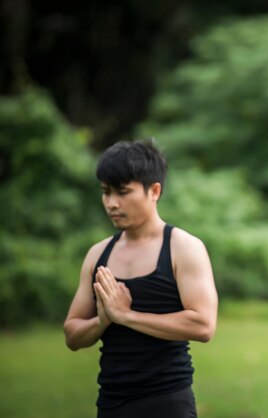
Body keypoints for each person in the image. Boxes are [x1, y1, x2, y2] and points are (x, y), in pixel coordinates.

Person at [63, 140, 218, 418]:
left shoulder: (183, 248)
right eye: (106, 192)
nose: (112, 203)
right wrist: (103, 320)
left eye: (123, 192)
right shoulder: (98, 254)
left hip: (168, 402)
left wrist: (126, 316)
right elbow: (72, 335)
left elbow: (203, 325)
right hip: (111, 402)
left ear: (154, 191)